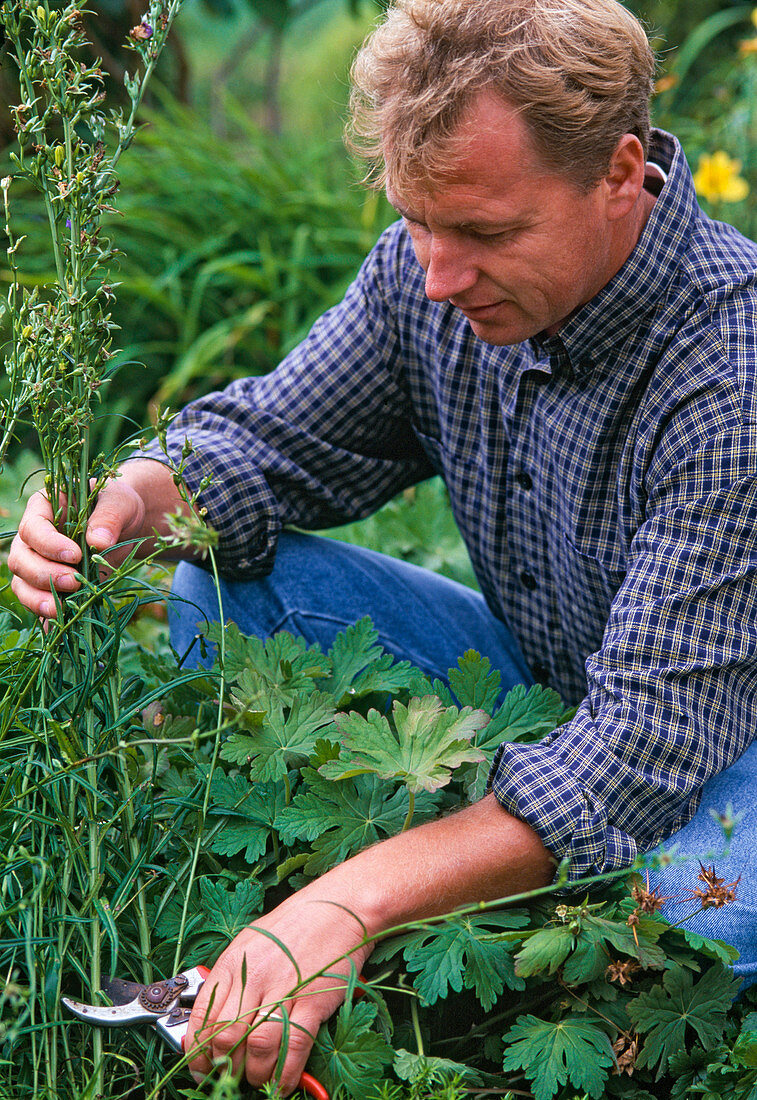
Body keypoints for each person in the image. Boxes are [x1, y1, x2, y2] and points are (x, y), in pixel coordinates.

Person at [9, 0, 757, 1091]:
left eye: (490, 234)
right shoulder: (432, 276)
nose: (441, 277)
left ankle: (404, 925)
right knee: (230, 586)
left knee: (689, 902)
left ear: (619, 169)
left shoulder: (729, 366)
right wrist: (122, 504)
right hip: (552, 691)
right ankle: (429, 894)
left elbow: (636, 749)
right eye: (418, 223)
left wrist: (345, 899)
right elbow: (261, 442)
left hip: (720, 746)